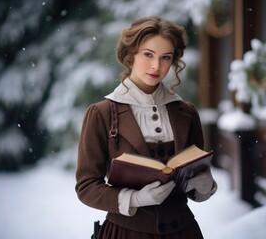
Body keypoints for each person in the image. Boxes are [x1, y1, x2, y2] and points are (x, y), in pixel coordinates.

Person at [75, 16, 217, 239]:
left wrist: (206, 186)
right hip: (126, 233)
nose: (156, 66)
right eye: (148, 55)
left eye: (165, 57)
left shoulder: (186, 113)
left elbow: (194, 185)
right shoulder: (101, 113)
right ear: (131, 55)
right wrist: (135, 199)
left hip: (184, 232)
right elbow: (86, 187)